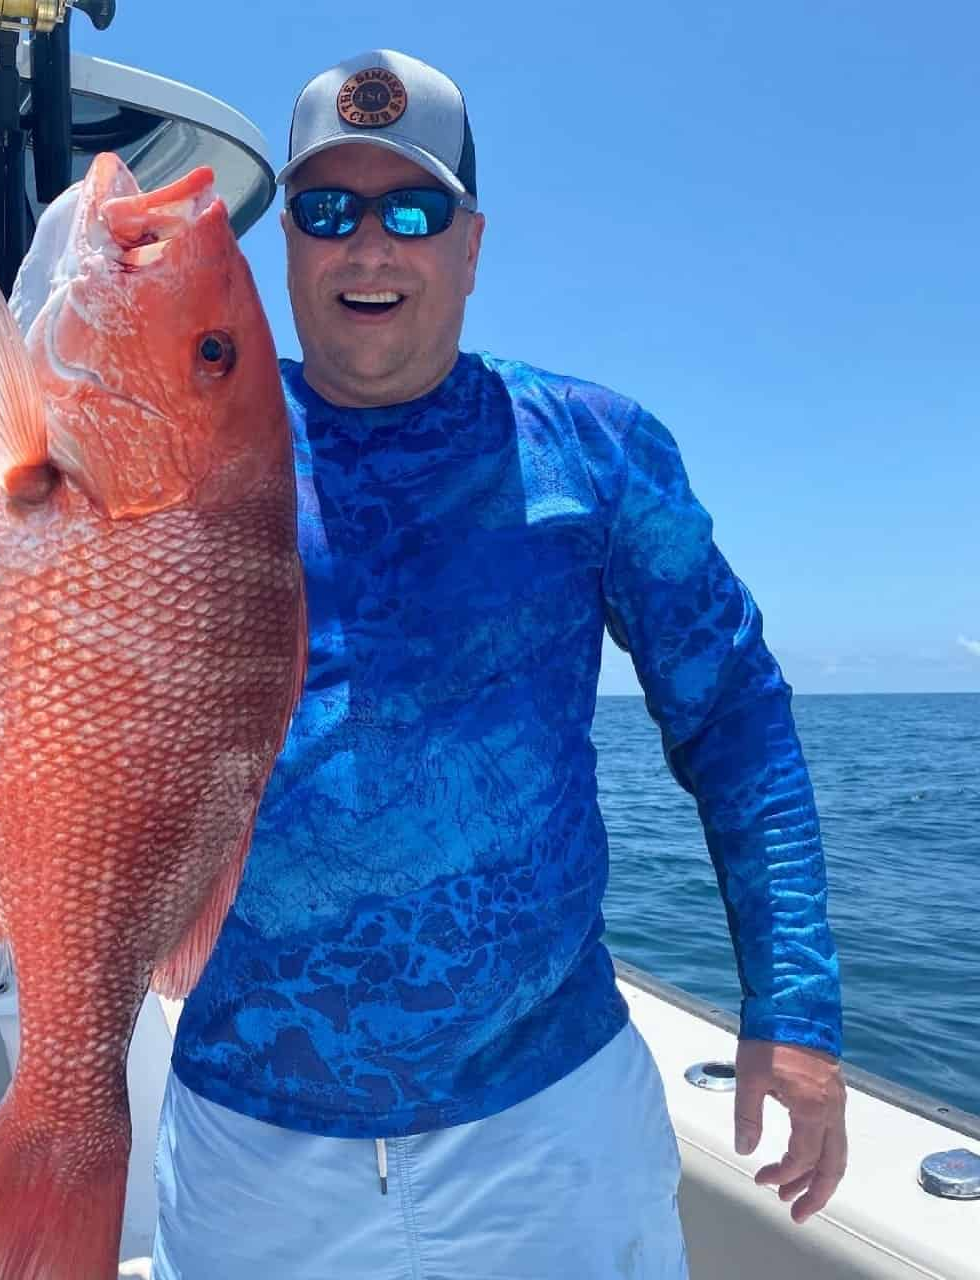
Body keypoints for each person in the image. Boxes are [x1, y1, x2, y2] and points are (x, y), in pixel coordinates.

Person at [150, 48, 847, 1279]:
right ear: (288, 247)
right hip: (249, 1139)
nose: (370, 246)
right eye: (328, 210)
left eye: (412, 210)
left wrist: (790, 1006)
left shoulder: (591, 447)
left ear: (469, 246)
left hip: (549, 1122)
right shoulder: (192, 454)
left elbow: (735, 718)